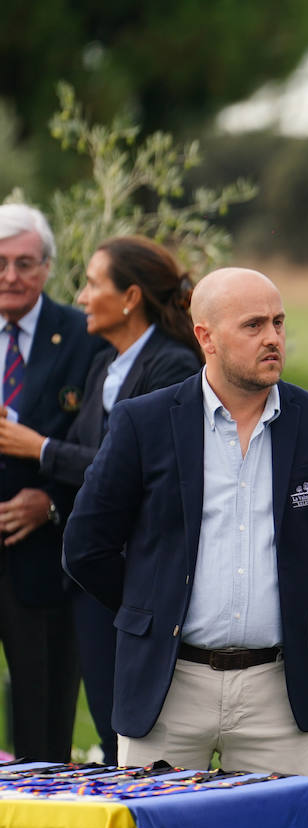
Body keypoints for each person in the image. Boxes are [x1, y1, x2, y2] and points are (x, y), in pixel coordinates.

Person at [62, 267, 308, 775]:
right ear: (206, 337)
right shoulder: (143, 421)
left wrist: (303, 607)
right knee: (157, 827)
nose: (272, 337)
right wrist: (150, 610)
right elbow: (86, 546)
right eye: (253, 325)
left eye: (278, 322)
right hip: (167, 685)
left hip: (279, 689)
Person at [0, 236, 202, 765]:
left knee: (143, 745)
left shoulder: (172, 367)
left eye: (92, 284)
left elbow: (132, 470)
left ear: (130, 297)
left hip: (141, 585)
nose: (82, 297)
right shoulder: (104, 366)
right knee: (115, 738)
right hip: (95, 584)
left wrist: (40, 448)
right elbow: (87, 462)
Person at [0, 203, 106, 762]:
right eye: (0, 263)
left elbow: (107, 450)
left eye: (25, 263)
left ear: (47, 267)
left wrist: (54, 502)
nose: (11, 276)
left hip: (44, 564)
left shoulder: (86, 336)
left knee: (42, 735)